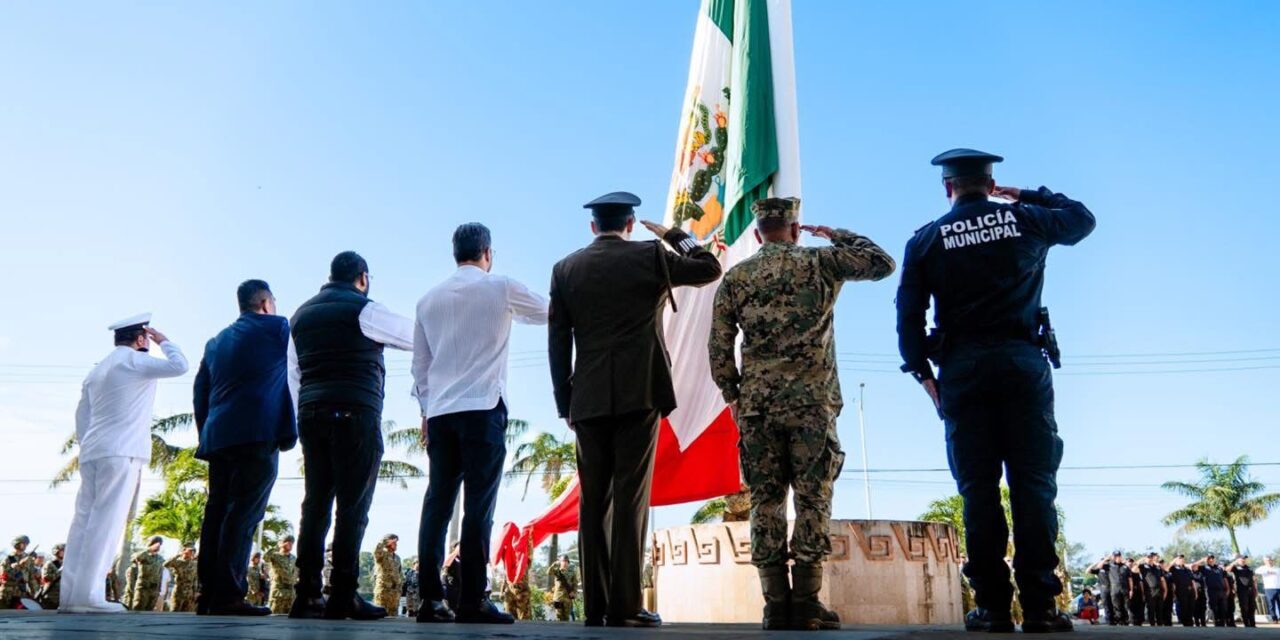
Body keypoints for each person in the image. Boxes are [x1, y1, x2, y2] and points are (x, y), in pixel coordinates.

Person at [895, 149, 1095, 634]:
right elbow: (1082, 218)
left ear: (948, 187)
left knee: (978, 489)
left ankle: (993, 608)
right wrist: (1024, 194)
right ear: (991, 184)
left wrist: (925, 376)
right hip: (1023, 364)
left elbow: (908, 316)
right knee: (1034, 486)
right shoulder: (1027, 219)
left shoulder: (926, 239)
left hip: (963, 372)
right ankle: (1041, 608)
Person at [709, 196, 895, 631]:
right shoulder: (820, 262)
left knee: (766, 500)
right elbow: (882, 263)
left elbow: (718, 345)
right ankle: (808, 603)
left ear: (759, 234)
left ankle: (775, 604)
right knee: (813, 498)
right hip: (812, 404)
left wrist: (733, 395)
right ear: (795, 229)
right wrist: (836, 235)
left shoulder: (738, 277)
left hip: (758, 407)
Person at [549, 191, 722, 627]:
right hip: (640, 391)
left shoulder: (565, 268)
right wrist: (675, 236)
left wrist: (564, 401)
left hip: (587, 397)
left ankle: (595, 607)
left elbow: (557, 343)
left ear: (593, 227)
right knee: (631, 499)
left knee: (594, 501)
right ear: (630, 225)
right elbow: (709, 267)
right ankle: (625, 607)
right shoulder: (651, 255)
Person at [412, 223, 547, 625]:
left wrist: (426, 411)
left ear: (455, 253)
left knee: (437, 503)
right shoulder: (501, 286)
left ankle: (430, 600)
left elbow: (421, 366)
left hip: (440, 413)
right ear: (487, 252)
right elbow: (548, 311)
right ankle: (472, 600)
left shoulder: (427, 300)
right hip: (483, 408)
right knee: (478, 506)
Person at [288, 251, 414, 620]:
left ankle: (307, 594)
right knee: (352, 506)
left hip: (311, 414)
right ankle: (343, 594)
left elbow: (293, 374)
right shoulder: (365, 309)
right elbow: (415, 337)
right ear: (362, 277)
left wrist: (299, 416)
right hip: (354, 413)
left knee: (315, 505)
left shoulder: (300, 315)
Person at [61, 315, 188, 614]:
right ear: (141, 339)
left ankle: (70, 597)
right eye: (147, 338)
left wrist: (90, 444)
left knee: (82, 522)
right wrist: (164, 341)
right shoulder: (135, 361)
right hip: (121, 452)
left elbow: (82, 417)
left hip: (93, 451)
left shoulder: (97, 370)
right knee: (106, 523)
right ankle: (89, 596)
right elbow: (180, 365)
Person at [194, 279, 296, 616]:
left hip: (218, 436)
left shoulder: (215, 342)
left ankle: (207, 595)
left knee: (216, 512)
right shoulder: (277, 328)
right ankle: (228, 595)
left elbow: (200, 391)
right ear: (266, 303)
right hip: (257, 433)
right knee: (244, 513)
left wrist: (207, 433)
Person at [264, 536, 298, 614]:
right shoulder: (275, 555)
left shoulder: (294, 558)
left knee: (290, 618)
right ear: (281, 543)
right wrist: (277, 547)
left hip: (291, 593)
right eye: (287, 542)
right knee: (275, 617)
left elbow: (296, 572)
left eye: (292, 543)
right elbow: (265, 558)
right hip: (278, 593)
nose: (290, 544)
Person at [131, 537, 165, 612]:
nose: (158, 546)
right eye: (156, 544)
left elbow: (160, 574)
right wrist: (149, 549)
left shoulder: (160, 559)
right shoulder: (144, 555)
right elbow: (135, 558)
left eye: (159, 545)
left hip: (154, 590)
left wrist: (158, 590)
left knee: (149, 613)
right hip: (143, 589)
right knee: (138, 610)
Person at [1, 536, 35, 608]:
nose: (25, 545)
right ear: (16, 544)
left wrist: (34, 591)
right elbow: (4, 577)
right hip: (7, 593)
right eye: (23, 543)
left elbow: (31, 577)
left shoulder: (29, 559)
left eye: (26, 544)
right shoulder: (7, 558)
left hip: (21, 593)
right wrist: (19, 565)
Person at [373, 534, 403, 616]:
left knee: (393, 616)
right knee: (381, 614)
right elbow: (376, 551)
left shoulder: (397, 557)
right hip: (384, 591)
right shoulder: (382, 554)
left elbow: (400, 573)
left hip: (395, 593)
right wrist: (384, 541)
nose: (396, 545)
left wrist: (400, 587)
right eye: (394, 542)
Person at [1197, 555, 1229, 626]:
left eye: (1212, 558)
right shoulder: (1204, 568)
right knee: (1214, 607)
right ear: (1207, 560)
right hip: (1211, 591)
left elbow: (1224, 578)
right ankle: (1216, 622)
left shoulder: (1219, 568)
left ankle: (1222, 623)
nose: (1211, 560)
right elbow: (1193, 566)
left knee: (1223, 607)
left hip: (1221, 591)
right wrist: (1202, 560)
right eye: (1209, 559)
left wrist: (1227, 589)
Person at [164, 544, 198, 613]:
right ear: (184, 551)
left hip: (189, 594)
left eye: (193, 551)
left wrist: (195, 592)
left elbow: (195, 579)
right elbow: (166, 564)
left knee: (187, 615)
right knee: (174, 613)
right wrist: (178, 554)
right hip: (178, 592)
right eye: (190, 551)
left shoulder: (195, 564)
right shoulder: (178, 562)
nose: (191, 553)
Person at [1167, 554, 1196, 627]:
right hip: (1181, 590)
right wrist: (1176, 559)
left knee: (1191, 606)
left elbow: (1192, 581)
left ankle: (1190, 621)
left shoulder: (1187, 569)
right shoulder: (1174, 568)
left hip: (1190, 590)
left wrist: (1195, 592)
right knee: (1184, 606)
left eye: (1182, 559)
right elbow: (1167, 568)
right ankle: (1185, 622)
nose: (1181, 560)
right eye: (1180, 559)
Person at [549, 555, 579, 622]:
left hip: (567, 598)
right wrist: (555, 564)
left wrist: (574, 593)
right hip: (558, 598)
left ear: (568, 563)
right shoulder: (556, 571)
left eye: (566, 561)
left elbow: (575, 584)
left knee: (566, 618)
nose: (564, 563)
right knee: (558, 617)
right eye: (563, 561)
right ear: (560, 562)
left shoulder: (572, 572)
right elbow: (548, 572)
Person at [1230, 555, 1257, 627]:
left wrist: (1255, 589)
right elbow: (1227, 569)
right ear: (1238, 560)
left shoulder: (1250, 568)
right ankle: (1246, 623)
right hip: (1242, 590)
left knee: (1252, 607)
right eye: (1242, 559)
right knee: (1244, 607)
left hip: (1251, 589)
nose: (1243, 560)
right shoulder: (1235, 568)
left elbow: (1254, 579)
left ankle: (1253, 624)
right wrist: (1234, 562)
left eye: (1244, 559)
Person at [37, 544, 65, 610]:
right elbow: (46, 578)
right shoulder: (49, 564)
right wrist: (59, 572)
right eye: (63, 550)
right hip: (51, 596)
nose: (65, 552)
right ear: (56, 552)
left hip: (62, 596)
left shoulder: (65, 564)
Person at [1139, 552, 1165, 625]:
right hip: (1150, 591)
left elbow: (1162, 579)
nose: (1150, 559)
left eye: (1151, 557)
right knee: (1151, 608)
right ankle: (1152, 624)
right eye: (1148, 557)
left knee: (1159, 608)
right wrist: (1142, 559)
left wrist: (1165, 589)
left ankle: (1160, 624)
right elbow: (1134, 567)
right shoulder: (1142, 566)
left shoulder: (1157, 567)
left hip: (1159, 590)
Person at [1086, 557, 1112, 624]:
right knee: (1106, 605)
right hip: (1104, 588)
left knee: (1113, 605)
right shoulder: (1099, 569)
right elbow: (1087, 571)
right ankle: (1109, 620)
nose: (1106, 562)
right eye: (1105, 561)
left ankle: (1114, 619)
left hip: (1112, 588)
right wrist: (1095, 563)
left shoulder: (1110, 568)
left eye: (1107, 561)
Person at [1258, 556, 1280, 622]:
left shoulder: (1277, 568)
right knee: (1271, 604)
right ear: (1265, 561)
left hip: (1278, 588)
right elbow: (1256, 571)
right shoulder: (1262, 568)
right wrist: (1267, 571)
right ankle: (1274, 618)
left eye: (1270, 560)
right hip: (1269, 588)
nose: (1269, 561)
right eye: (1267, 560)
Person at [1191, 562, 1208, 626]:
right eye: (1194, 566)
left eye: (1196, 566)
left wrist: (1198, 564)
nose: (1195, 567)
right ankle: (1197, 622)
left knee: (1203, 607)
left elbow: (1203, 566)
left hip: (1202, 592)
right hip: (1195, 592)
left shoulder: (1201, 573)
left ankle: (1203, 622)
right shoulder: (1190, 573)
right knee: (1196, 608)